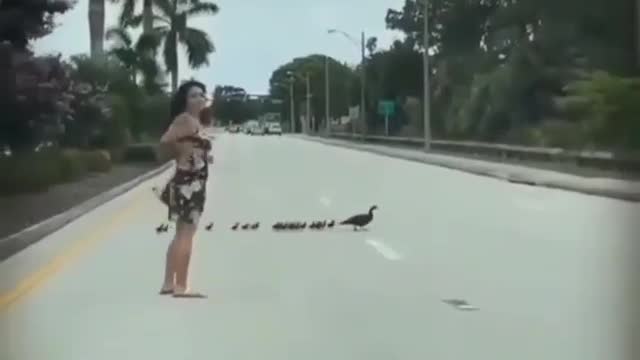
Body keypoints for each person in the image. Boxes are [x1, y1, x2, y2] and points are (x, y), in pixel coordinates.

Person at [157, 80, 212, 298]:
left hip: (191, 181)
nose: (199, 98)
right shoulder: (185, 120)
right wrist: (182, 153)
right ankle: (181, 286)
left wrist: (199, 154)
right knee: (187, 235)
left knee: (180, 233)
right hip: (190, 184)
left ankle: (168, 283)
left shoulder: (195, 121)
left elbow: (191, 146)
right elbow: (165, 141)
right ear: (185, 101)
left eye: (202, 94)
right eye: (194, 95)